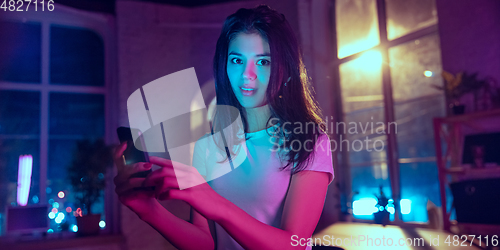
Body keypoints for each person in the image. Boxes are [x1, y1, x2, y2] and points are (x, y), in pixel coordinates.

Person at [113, 5, 334, 250]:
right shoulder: (209, 146)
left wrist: (214, 203)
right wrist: (148, 210)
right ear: (224, 66)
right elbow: (205, 244)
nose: (247, 74)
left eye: (263, 62)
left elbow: (294, 245)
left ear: (287, 72)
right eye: (237, 60)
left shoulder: (311, 142)